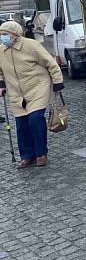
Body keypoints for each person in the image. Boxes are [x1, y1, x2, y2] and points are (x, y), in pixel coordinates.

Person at [0, 20, 64, 168]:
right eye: (0, 35)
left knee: (35, 119)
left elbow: (51, 63)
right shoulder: (1, 50)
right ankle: (27, 156)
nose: (2, 38)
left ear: (15, 35)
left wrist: (57, 82)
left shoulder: (31, 45)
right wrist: (1, 84)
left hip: (37, 88)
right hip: (16, 92)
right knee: (21, 124)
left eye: (5, 35)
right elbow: (1, 72)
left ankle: (41, 153)